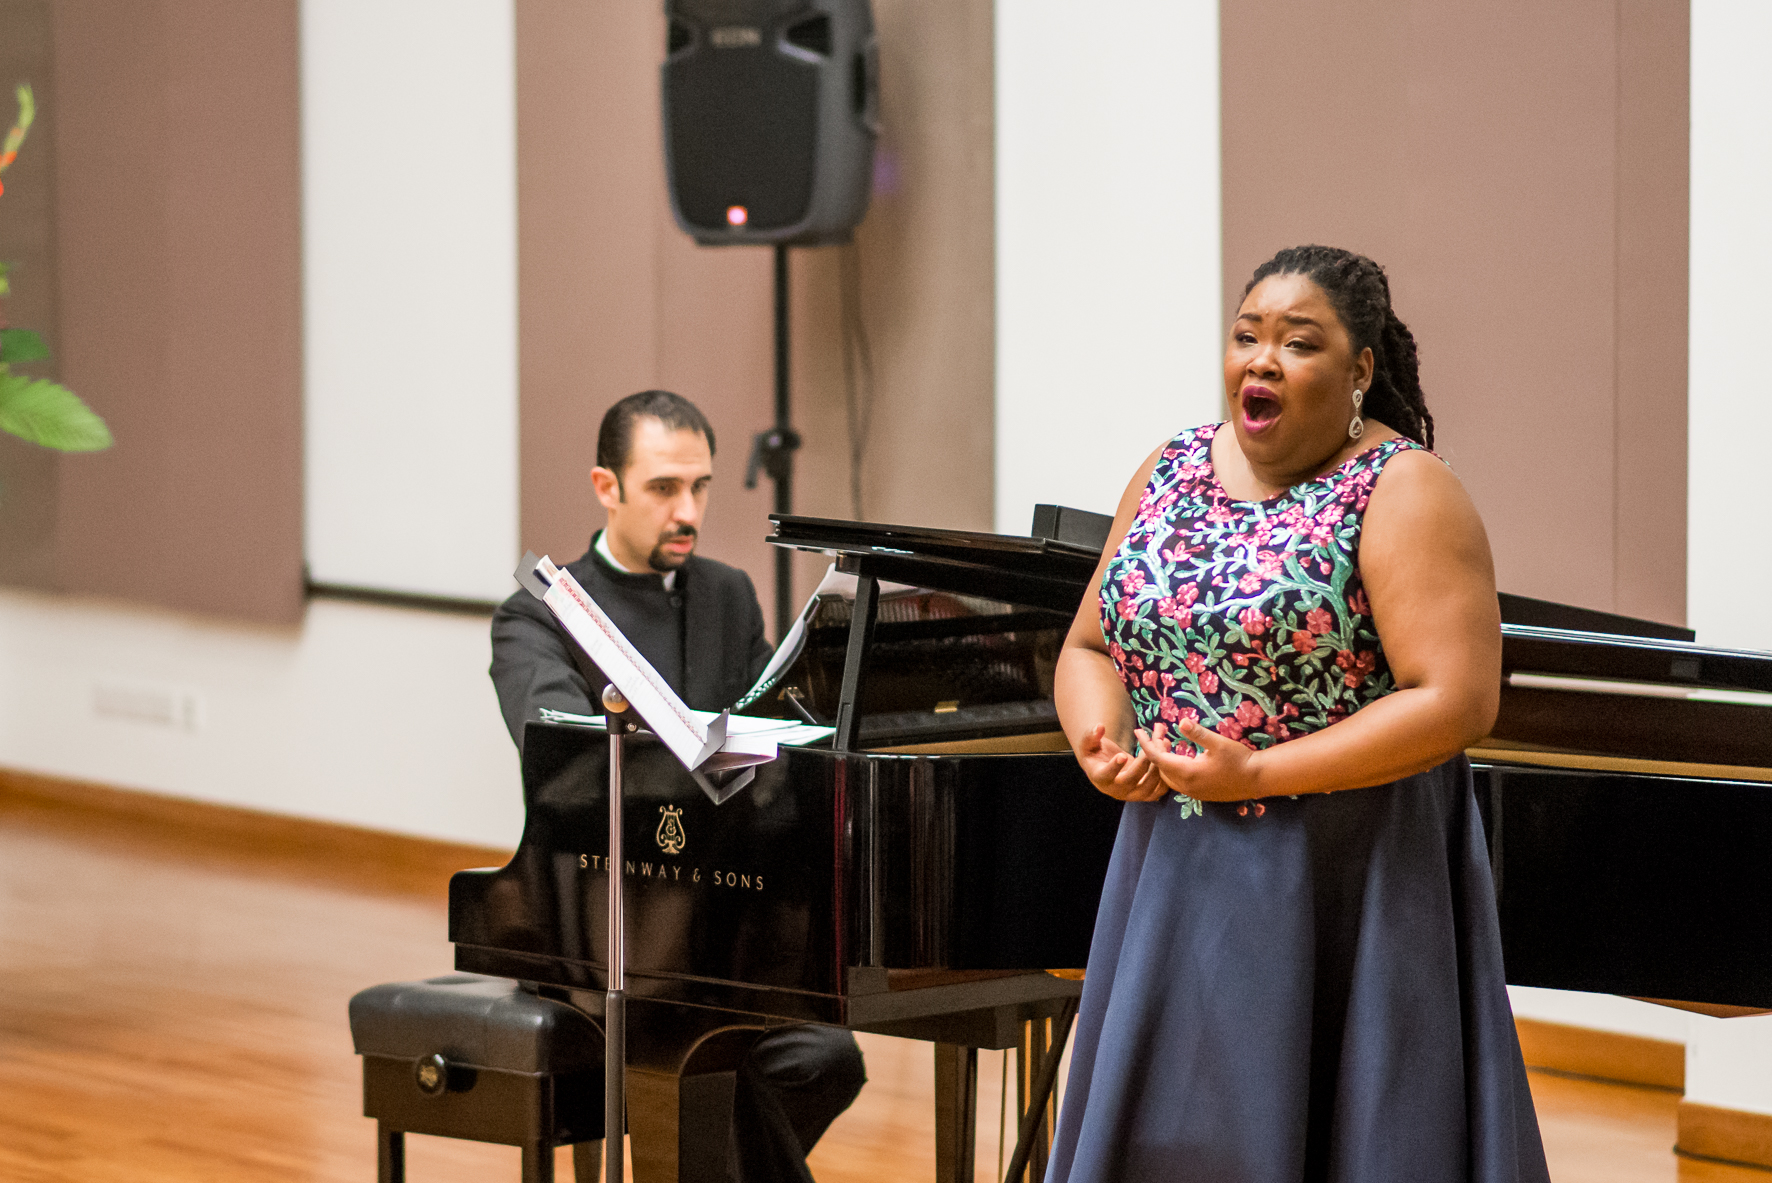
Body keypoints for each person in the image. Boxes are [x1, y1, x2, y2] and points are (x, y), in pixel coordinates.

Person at [1047, 246, 1550, 1182]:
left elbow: (1457, 697)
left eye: (1298, 342)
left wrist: (1261, 773)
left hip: (1339, 869)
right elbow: (1086, 648)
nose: (1261, 358)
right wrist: (1098, 737)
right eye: (1247, 336)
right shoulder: (1168, 469)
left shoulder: (1403, 488)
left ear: (1360, 371)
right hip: (1171, 865)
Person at [490, 389, 866, 1183]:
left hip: (717, 939)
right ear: (606, 487)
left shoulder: (727, 594)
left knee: (827, 1056)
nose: (687, 509)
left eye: (700, 485)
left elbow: (772, 742)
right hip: (594, 938)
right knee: (708, 1064)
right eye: (664, 488)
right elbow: (562, 762)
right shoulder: (540, 616)